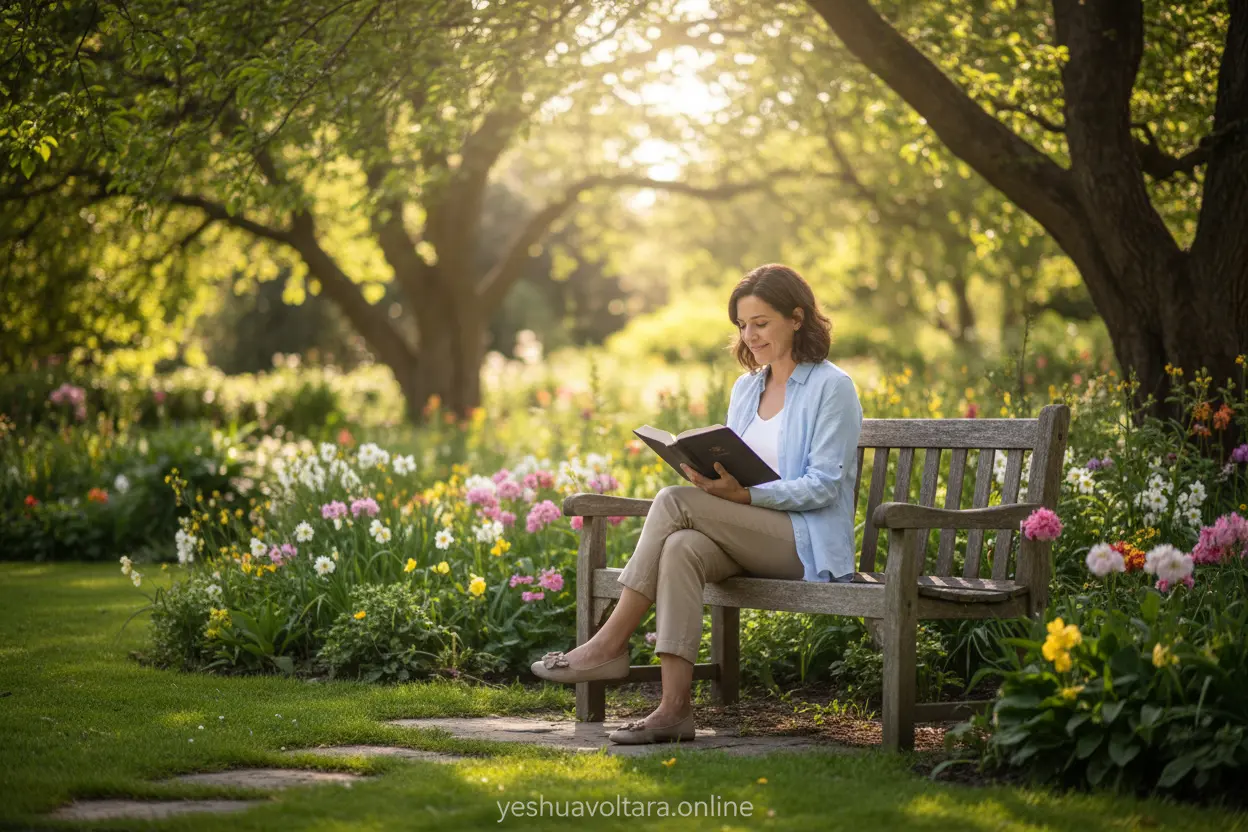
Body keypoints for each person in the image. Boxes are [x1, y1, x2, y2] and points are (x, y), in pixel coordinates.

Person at [531, 263, 863, 744]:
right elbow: (737, 461)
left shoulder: (833, 387)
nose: (749, 336)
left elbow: (825, 486)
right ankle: (674, 711)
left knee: (672, 502)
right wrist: (710, 477)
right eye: (742, 325)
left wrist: (746, 495)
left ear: (797, 318)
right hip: (746, 533)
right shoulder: (747, 388)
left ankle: (609, 644)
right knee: (681, 547)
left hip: (804, 542)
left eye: (761, 323)